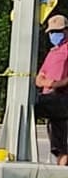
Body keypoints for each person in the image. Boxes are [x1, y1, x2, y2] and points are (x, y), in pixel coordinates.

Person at [35, 14, 68, 166]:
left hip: (61, 97)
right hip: (50, 97)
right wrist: (48, 82)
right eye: (51, 32)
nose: (53, 35)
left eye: (57, 31)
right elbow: (39, 78)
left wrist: (55, 84)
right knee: (58, 144)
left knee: (31, 104)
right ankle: (62, 174)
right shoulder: (53, 52)